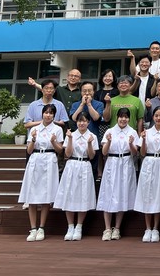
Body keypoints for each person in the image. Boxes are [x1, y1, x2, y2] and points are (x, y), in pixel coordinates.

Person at [20, 103, 64, 242]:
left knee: (46, 195)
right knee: (32, 195)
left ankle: (41, 228)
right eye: (46, 112)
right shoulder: (35, 129)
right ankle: (33, 228)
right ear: (42, 113)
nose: (48, 115)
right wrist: (33, 139)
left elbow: (60, 150)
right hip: (36, 159)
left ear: (54, 115)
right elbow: (29, 150)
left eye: (51, 113)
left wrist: (54, 142)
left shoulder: (57, 129)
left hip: (50, 159)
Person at [97, 107, 140, 241]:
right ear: (117, 117)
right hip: (112, 162)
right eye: (121, 116)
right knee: (108, 193)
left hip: (126, 162)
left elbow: (135, 153)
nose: (123, 119)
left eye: (126, 117)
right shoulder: (110, 131)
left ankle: (117, 228)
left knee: (122, 193)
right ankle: (107, 228)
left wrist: (131, 144)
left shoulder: (132, 132)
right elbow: (104, 152)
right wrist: (109, 141)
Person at [53, 112, 98, 241]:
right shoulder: (70, 135)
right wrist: (70, 139)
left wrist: (89, 144)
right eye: (79, 121)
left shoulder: (92, 136)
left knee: (83, 195)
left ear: (88, 122)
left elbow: (91, 156)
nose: (81, 123)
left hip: (85, 165)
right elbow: (67, 154)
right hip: (72, 165)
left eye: (84, 121)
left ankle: (79, 226)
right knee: (69, 194)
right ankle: (70, 226)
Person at [134, 106, 160, 243]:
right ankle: (148, 228)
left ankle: (156, 228)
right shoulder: (147, 132)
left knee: (158, 194)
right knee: (147, 194)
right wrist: (144, 139)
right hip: (149, 162)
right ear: (153, 117)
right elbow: (142, 153)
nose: (158, 118)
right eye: (156, 115)